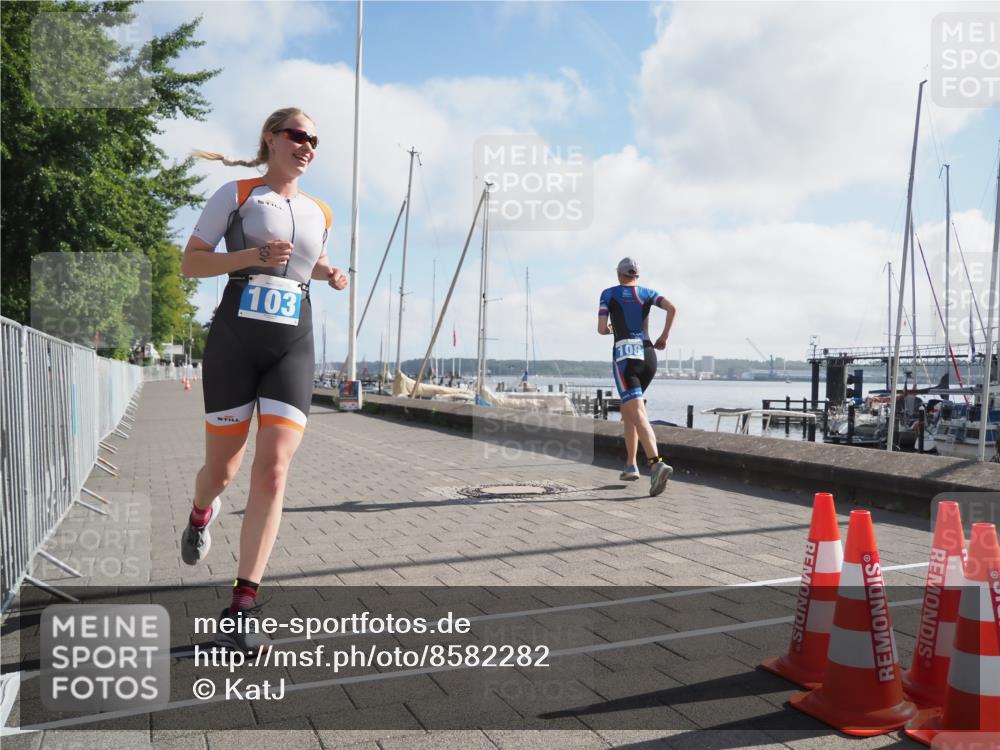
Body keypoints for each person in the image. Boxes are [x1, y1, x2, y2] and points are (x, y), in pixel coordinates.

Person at [179, 107, 348, 653]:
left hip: (291, 342)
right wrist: (251, 256)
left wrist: (330, 272)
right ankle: (201, 512)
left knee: (273, 471)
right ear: (272, 139)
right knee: (221, 472)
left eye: (315, 140)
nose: (308, 146)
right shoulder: (237, 193)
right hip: (234, 341)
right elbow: (191, 263)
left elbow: (308, 262)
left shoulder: (320, 209)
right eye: (298, 135)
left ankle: (242, 603)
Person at [598, 257, 676, 496]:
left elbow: (602, 329)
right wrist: (664, 337)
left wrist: (612, 328)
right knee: (629, 408)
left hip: (625, 357)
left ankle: (655, 463)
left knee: (637, 412)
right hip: (649, 355)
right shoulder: (647, 292)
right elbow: (672, 308)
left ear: (619, 274)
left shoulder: (608, 294)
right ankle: (631, 464)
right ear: (637, 276)